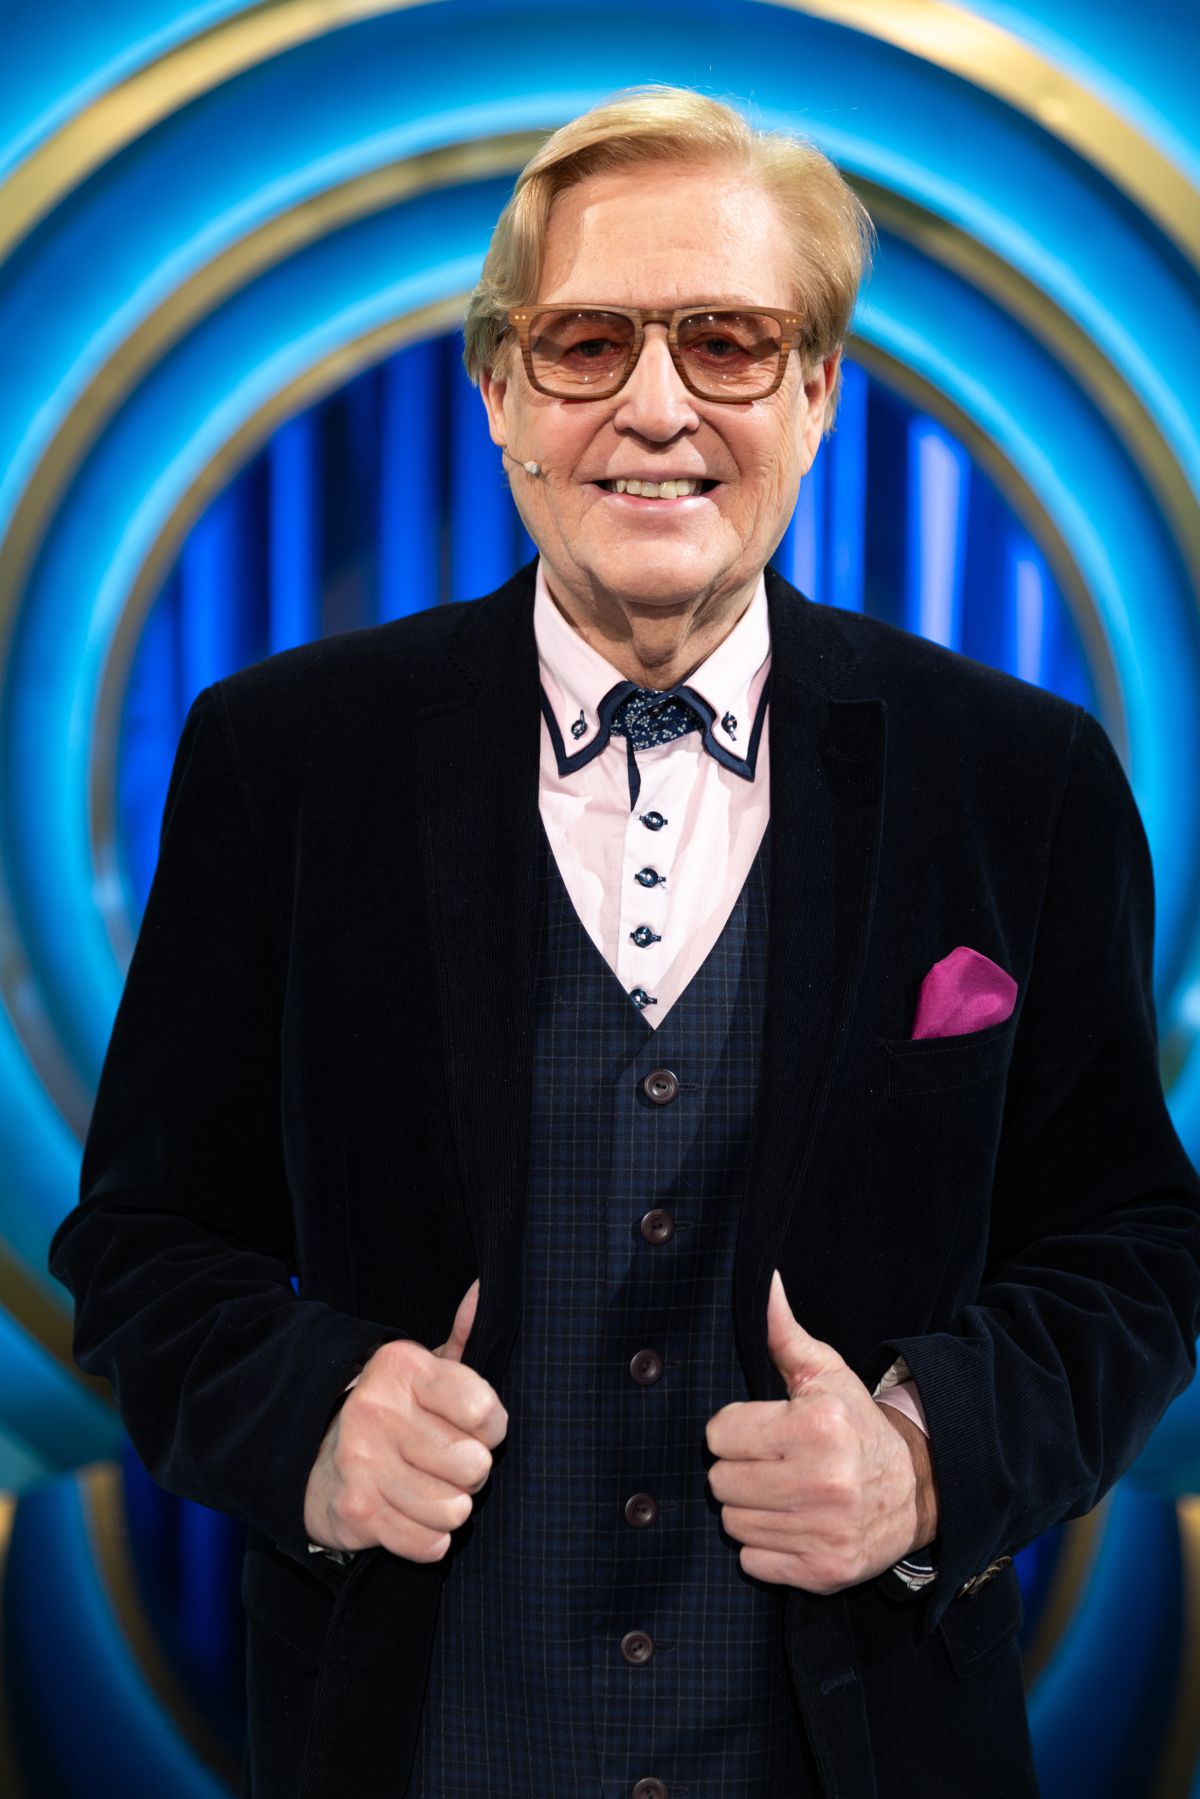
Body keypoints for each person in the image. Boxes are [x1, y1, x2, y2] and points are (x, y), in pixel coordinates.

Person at [49, 85, 1200, 1799]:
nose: (656, 407)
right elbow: (144, 1244)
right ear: (500, 393)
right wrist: (312, 1424)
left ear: (817, 391)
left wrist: (924, 1457)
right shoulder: (284, 760)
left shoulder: (1015, 777)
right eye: (587, 343)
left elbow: (1132, 1245)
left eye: (727, 342)